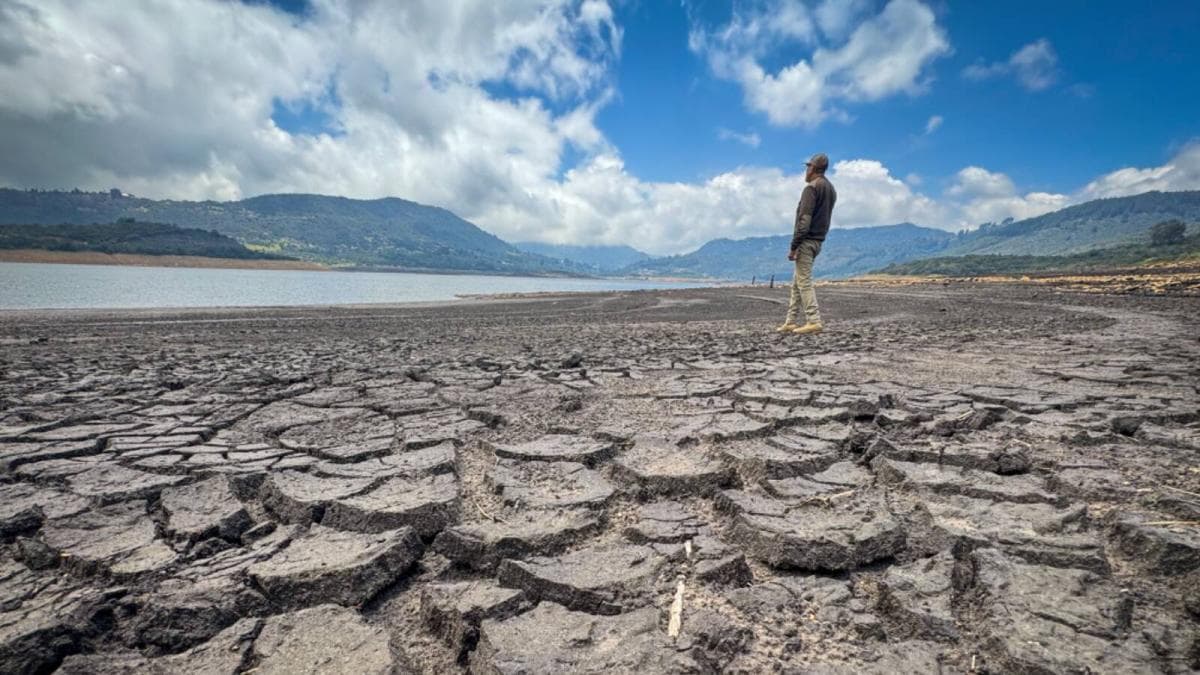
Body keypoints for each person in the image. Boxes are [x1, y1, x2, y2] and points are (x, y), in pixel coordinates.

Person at [778, 152, 836, 335]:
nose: (806, 170)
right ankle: (791, 321)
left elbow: (804, 219)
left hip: (806, 241)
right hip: (818, 241)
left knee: (804, 283)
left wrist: (794, 246)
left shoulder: (812, 188)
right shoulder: (830, 188)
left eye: (808, 167)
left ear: (813, 168)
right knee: (797, 283)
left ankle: (814, 320)